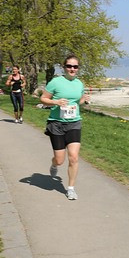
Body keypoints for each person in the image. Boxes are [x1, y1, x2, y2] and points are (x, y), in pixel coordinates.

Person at [41, 55, 89, 201]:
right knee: (60, 159)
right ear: (64, 67)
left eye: (75, 67)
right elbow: (43, 98)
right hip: (56, 123)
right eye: (69, 66)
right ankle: (54, 165)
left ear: (78, 68)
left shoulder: (79, 83)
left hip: (74, 122)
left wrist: (84, 101)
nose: (72, 69)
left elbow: (77, 101)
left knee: (74, 157)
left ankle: (71, 189)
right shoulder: (56, 82)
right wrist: (55, 102)